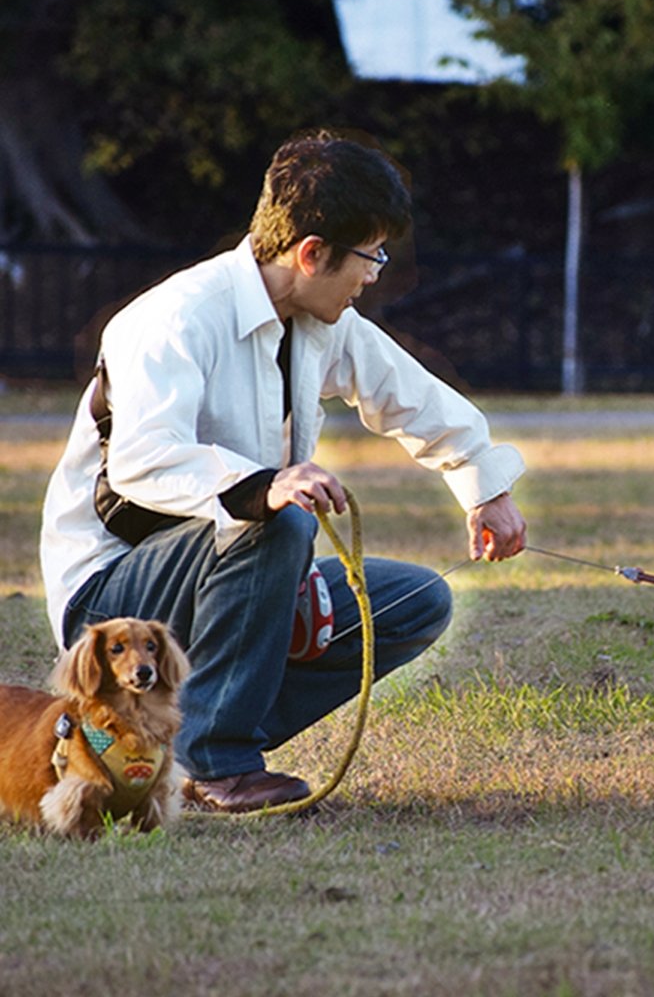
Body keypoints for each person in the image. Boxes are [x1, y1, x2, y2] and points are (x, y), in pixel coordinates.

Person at [40, 129, 527, 813]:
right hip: (113, 601)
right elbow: (142, 462)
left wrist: (487, 488)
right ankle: (217, 759)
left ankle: (172, 739)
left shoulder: (318, 317)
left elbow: (410, 396)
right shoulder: (172, 320)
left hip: (230, 569)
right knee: (278, 518)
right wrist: (266, 487)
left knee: (417, 602)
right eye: (372, 254)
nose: (376, 273)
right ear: (311, 252)